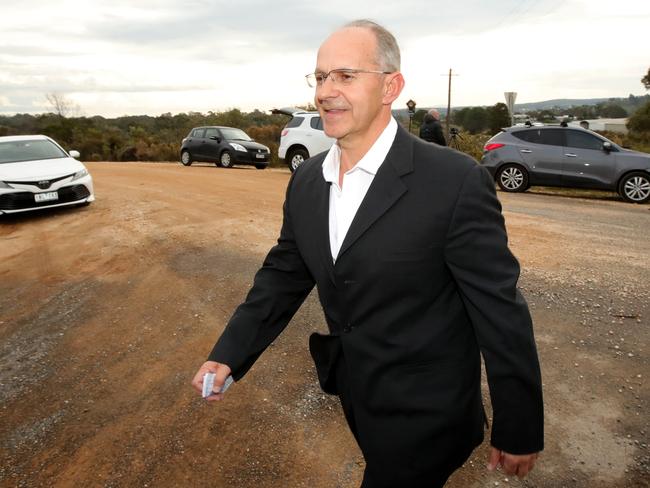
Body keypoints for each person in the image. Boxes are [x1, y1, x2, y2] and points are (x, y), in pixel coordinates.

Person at [192, 19, 543, 488]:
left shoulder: (453, 181)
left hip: (428, 410)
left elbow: (499, 309)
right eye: (319, 77)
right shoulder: (307, 180)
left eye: (345, 76)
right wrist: (230, 354)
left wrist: (518, 423)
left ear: (390, 87)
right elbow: (282, 276)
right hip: (357, 393)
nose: (325, 92)